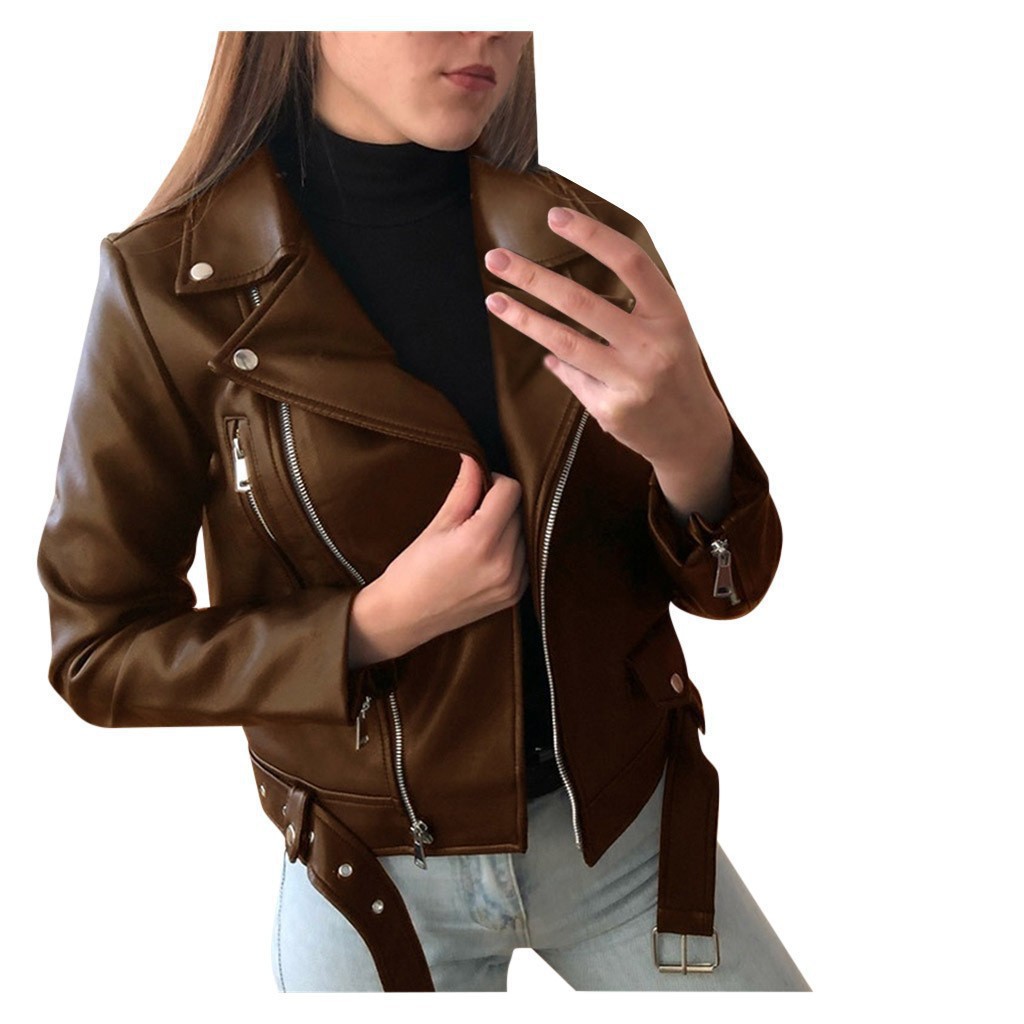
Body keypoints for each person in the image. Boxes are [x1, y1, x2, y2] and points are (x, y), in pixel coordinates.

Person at [36, 30, 810, 992]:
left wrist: (697, 454)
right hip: (369, 881)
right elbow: (99, 653)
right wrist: (368, 626)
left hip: (629, 839)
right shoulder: (170, 287)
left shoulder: (586, 249)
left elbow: (732, 587)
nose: (486, 27)